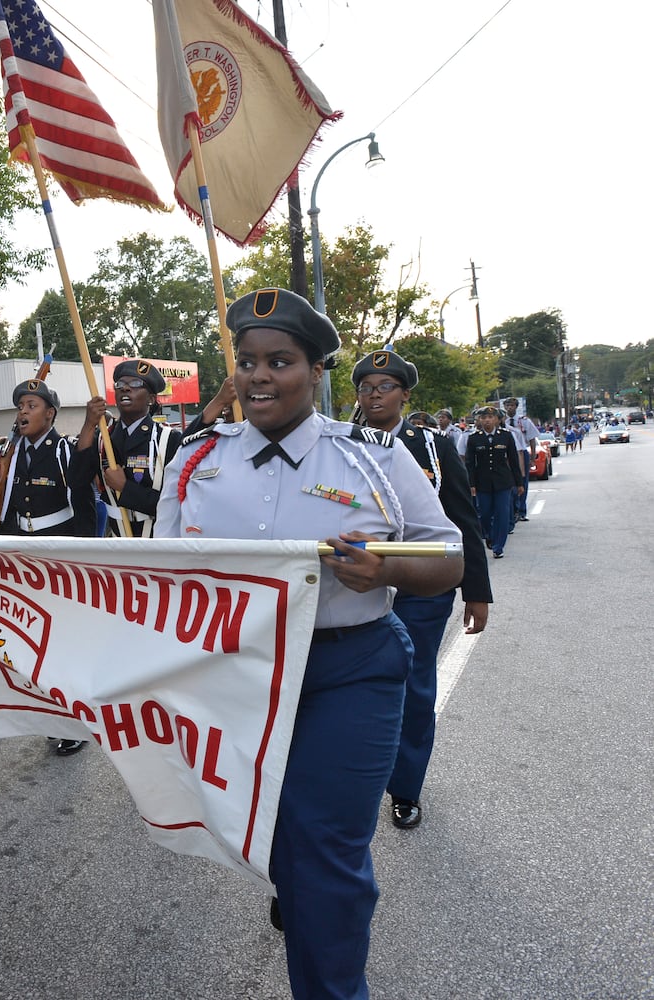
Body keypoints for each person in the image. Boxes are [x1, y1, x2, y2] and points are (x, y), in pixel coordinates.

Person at [153, 289, 463, 1000]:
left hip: (347, 672)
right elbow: (159, 575)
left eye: (281, 361)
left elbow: (447, 559)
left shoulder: (374, 458)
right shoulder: (196, 460)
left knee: (327, 851)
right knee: (273, 834)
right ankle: (297, 889)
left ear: (317, 370)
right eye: (248, 361)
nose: (260, 376)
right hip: (235, 671)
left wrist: (387, 568)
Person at [352, 350, 493, 831]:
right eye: (367, 386)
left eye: (385, 386)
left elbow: (461, 520)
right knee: (356, 688)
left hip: (423, 585)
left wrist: (477, 590)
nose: (374, 394)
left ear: (405, 395)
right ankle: (357, 777)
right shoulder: (343, 445)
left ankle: (406, 788)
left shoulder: (431, 445)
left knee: (413, 687)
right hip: (359, 582)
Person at [0, 378, 97, 756]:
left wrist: (82, 555)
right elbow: (2, 505)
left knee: (65, 642)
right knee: (38, 642)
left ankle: (75, 723)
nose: (23, 412)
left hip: (60, 553)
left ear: (50, 414)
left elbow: (83, 494)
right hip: (25, 555)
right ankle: (51, 714)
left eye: (32, 405)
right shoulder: (11, 453)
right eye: (20, 406)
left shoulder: (64, 449)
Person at [73, 361, 236, 537]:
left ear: (151, 399)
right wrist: (89, 425)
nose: (125, 389)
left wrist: (125, 488)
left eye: (135, 384)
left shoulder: (166, 439)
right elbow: (76, 481)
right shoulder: (103, 440)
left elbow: (176, 503)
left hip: (157, 542)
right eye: (120, 384)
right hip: (117, 545)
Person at [464, 406, 522, 559]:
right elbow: (469, 464)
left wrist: (519, 483)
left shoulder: (506, 436)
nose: (486, 420)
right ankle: (489, 535)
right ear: (479, 421)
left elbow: (513, 461)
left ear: (497, 419)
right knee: (484, 514)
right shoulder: (474, 438)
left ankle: (498, 546)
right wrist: (471, 484)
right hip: (482, 483)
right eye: (483, 418)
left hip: (503, 482)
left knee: (502, 514)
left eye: (490, 417)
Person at [502, 397, 540, 523]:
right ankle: (513, 510)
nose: (509, 408)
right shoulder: (502, 421)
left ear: (516, 407)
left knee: (522, 482)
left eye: (511, 405)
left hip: (522, 452)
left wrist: (533, 457)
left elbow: (532, 439)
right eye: (507, 405)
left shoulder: (524, 421)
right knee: (510, 483)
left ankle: (522, 511)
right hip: (507, 453)